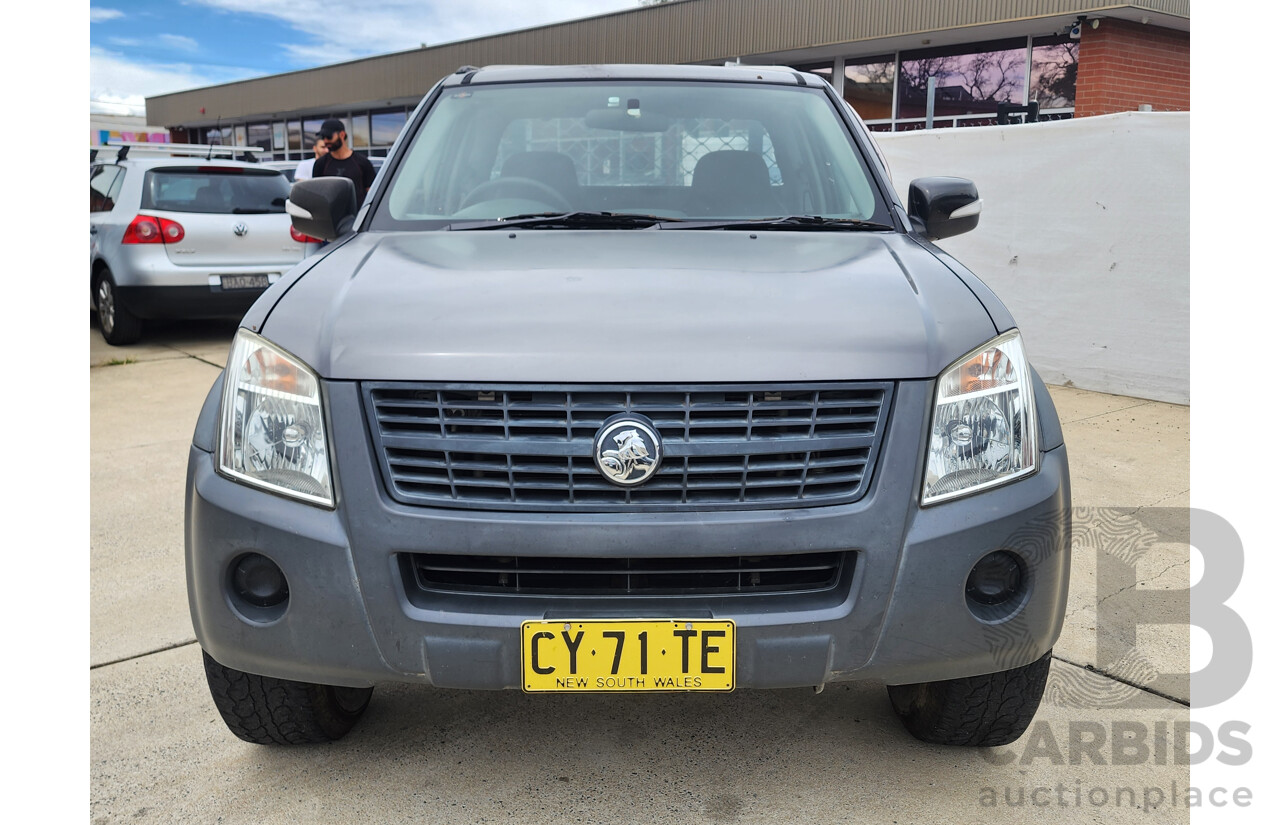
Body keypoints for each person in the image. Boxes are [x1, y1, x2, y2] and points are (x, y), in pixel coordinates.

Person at [312, 118, 377, 208]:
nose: (326, 141)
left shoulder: (362, 162)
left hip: (358, 214)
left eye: (329, 137)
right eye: (323, 137)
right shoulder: (321, 164)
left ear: (342, 135)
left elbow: (371, 193)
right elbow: (316, 195)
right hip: (330, 215)